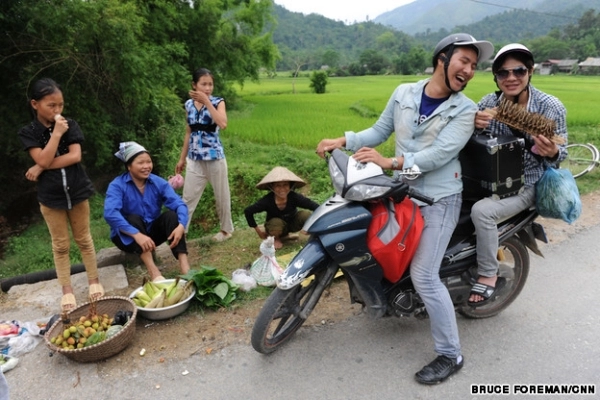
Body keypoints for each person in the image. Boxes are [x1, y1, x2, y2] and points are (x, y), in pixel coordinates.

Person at [317, 33, 494, 385]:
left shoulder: (465, 110)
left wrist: (391, 162)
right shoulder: (404, 93)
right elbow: (380, 130)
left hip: (440, 198)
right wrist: (344, 140)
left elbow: (436, 158)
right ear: (442, 59)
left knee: (425, 276)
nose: (470, 70)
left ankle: (450, 353)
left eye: (474, 65)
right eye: (464, 61)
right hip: (402, 193)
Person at [468, 44, 568, 305]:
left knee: (482, 212)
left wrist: (552, 151)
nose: (511, 78)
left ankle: (489, 274)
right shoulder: (488, 103)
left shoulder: (549, 106)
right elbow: (472, 141)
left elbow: (562, 153)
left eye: (518, 70)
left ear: (530, 71)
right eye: (503, 73)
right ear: (496, 77)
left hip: (527, 184)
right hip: (489, 179)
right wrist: (472, 125)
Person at [17, 78, 104, 313]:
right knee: (60, 245)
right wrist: (55, 135)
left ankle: (94, 281)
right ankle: (67, 291)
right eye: (51, 106)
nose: (57, 111)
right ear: (35, 104)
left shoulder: (71, 124)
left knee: (84, 239)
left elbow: (75, 157)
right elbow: (43, 157)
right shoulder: (29, 132)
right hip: (50, 197)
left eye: (60, 105)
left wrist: (40, 167)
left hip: (77, 190)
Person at [104, 141, 191, 282]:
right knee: (133, 218)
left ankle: (185, 267)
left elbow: (179, 204)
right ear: (129, 166)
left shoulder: (158, 182)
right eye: (140, 163)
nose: (146, 166)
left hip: (151, 234)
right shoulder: (117, 185)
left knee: (172, 216)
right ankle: (154, 272)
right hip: (128, 237)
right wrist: (137, 235)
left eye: (148, 162)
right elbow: (110, 214)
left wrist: (181, 225)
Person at [175, 67, 233, 242]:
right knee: (187, 198)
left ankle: (226, 230)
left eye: (210, 84)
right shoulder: (188, 105)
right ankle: (181, 232)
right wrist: (182, 158)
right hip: (194, 159)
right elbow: (188, 132)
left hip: (214, 157)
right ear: (194, 85)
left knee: (221, 195)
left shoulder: (218, 102)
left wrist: (207, 102)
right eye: (204, 84)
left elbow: (222, 124)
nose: (208, 88)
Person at [244, 167, 319, 249]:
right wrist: (259, 232)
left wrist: (308, 227)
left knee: (305, 215)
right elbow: (248, 211)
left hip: (292, 224)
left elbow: (315, 206)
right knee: (276, 223)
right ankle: (276, 238)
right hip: (275, 228)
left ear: (290, 186)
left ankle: (315, 233)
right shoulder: (267, 200)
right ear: (272, 187)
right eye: (278, 185)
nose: (282, 189)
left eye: (285, 185)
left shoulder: (294, 197)